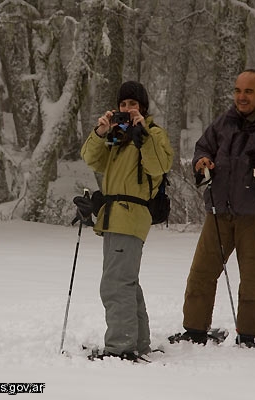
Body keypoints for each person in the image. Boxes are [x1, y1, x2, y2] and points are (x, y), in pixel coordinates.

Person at [172, 69, 255, 348]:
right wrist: (202, 161)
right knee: (202, 272)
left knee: (254, 276)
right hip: (220, 210)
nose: (241, 97)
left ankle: (248, 335)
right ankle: (194, 330)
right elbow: (203, 147)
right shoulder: (225, 120)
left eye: (248, 92)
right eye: (237, 91)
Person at [80, 81, 173, 360]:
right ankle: (138, 342)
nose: (127, 109)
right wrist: (101, 131)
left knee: (115, 283)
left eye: (133, 104)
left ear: (142, 107)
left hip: (130, 217)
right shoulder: (118, 137)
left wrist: (143, 133)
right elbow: (91, 158)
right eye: (123, 105)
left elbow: (160, 165)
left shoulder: (152, 134)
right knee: (126, 281)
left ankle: (120, 347)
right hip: (113, 217)